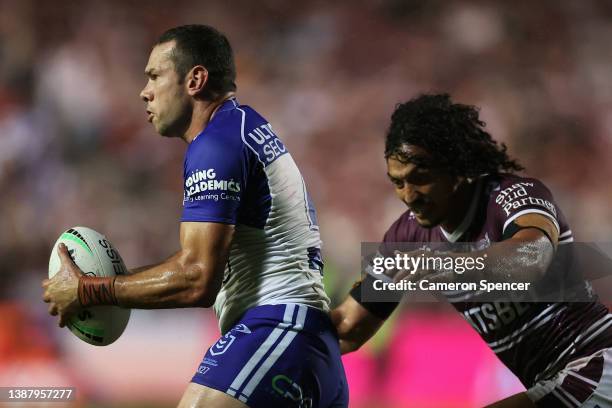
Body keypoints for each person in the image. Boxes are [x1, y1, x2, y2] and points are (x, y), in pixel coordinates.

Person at [43, 24, 348, 408]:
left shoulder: (217, 145)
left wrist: (90, 290)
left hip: (277, 333)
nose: (145, 91)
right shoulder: (240, 128)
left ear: (195, 80)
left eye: (155, 76)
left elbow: (197, 279)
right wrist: (107, 283)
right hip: (304, 349)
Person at [331, 93, 612, 407]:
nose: (409, 195)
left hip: (598, 366)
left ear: (456, 167)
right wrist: (283, 326)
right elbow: (348, 328)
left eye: (421, 179)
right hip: (553, 383)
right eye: (399, 183)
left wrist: (447, 265)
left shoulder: (513, 196)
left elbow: (532, 259)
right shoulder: (407, 235)